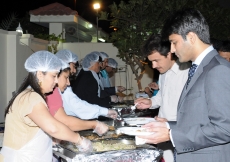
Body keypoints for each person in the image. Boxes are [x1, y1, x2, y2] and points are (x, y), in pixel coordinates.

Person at [136, 9, 230, 162]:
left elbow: (225, 128)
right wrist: (169, 125)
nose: (172, 50)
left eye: (174, 42)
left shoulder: (217, 69)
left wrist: (171, 135)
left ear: (191, 37)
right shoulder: (200, 68)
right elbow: (199, 120)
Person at [0, 51, 92, 162]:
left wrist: (51, 140)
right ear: (40, 74)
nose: (56, 81)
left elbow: (33, 130)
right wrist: (79, 140)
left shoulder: (32, 95)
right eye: (53, 76)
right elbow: (53, 128)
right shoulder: (30, 97)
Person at [135, 35, 190, 162]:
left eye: (156, 60)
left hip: (179, 133)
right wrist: (150, 102)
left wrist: (172, 124)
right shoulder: (164, 73)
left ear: (170, 54)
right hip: (162, 131)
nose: (153, 66)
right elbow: (162, 95)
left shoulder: (187, 72)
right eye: (151, 62)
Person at [46, 59, 109, 135]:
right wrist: (94, 124)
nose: (68, 83)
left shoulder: (55, 91)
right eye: (66, 77)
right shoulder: (52, 93)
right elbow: (65, 121)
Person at [55, 49, 118, 120]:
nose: (75, 70)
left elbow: (77, 103)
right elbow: (84, 103)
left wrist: (105, 112)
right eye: (74, 66)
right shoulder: (87, 77)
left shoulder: (89, 74)